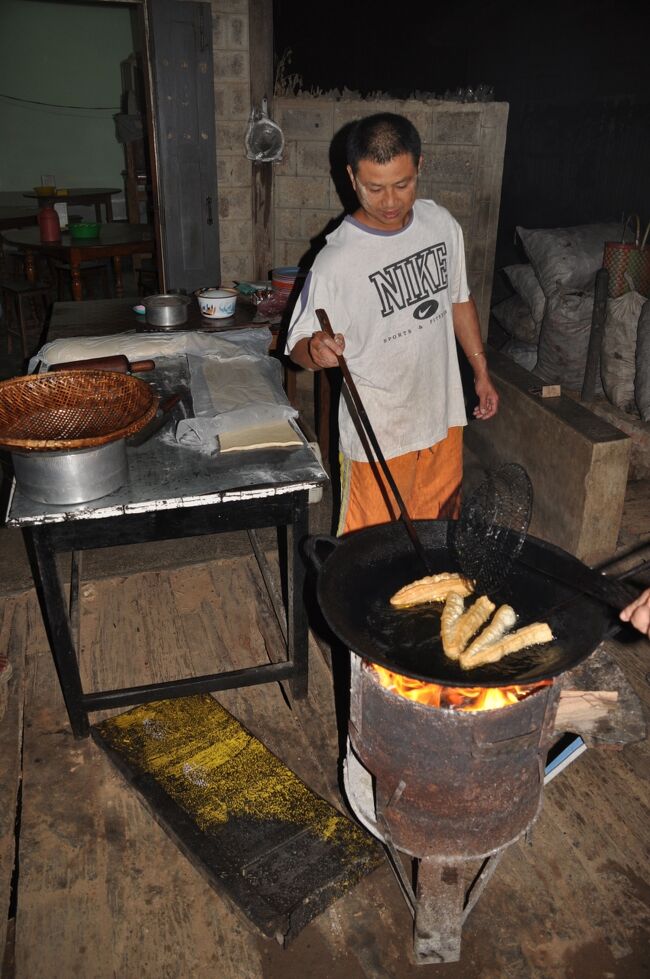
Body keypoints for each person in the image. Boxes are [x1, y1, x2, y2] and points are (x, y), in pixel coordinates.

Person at [286, 112, 499, 534]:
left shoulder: (441, 226)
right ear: (351, 177)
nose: (389, 202)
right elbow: (296, 348)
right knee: (369, 550)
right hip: (376, 437)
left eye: (402, 185)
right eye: (374, 188)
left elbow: (459, 300)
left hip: (442, 420)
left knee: (437, 536)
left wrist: (480, 371)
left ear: (420, 166)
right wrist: (316, 350)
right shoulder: (335, 260)